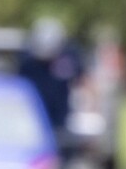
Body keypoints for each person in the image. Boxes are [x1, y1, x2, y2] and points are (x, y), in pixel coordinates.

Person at [17, 16, 86, 155]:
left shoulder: (69, 56)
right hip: (33, 116)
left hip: (61, 116)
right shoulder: (26, 61)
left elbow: (83, 80)